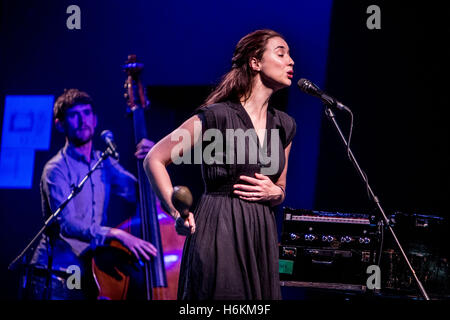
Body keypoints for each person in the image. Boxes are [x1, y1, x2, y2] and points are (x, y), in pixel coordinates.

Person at [144, 29, 296, 300]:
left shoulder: (285, 125)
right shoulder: (217, 117)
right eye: (281, 53)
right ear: (255, 62)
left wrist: (277, 193)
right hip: (220, 228)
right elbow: (154, 158)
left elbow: (280, 185)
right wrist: (176, 213)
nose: (291, 61)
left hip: (260, 232)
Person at [26, 88, 157, 300]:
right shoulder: (55, 169)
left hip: (87, 265)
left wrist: (151, 161)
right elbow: (67, 224)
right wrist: (116, 234)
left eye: (86, 113)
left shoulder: (103, 162)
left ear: (95, 120)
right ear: (60, 124)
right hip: (55, 270)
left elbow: (138, 192)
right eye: (73, 115)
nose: (82, 120)